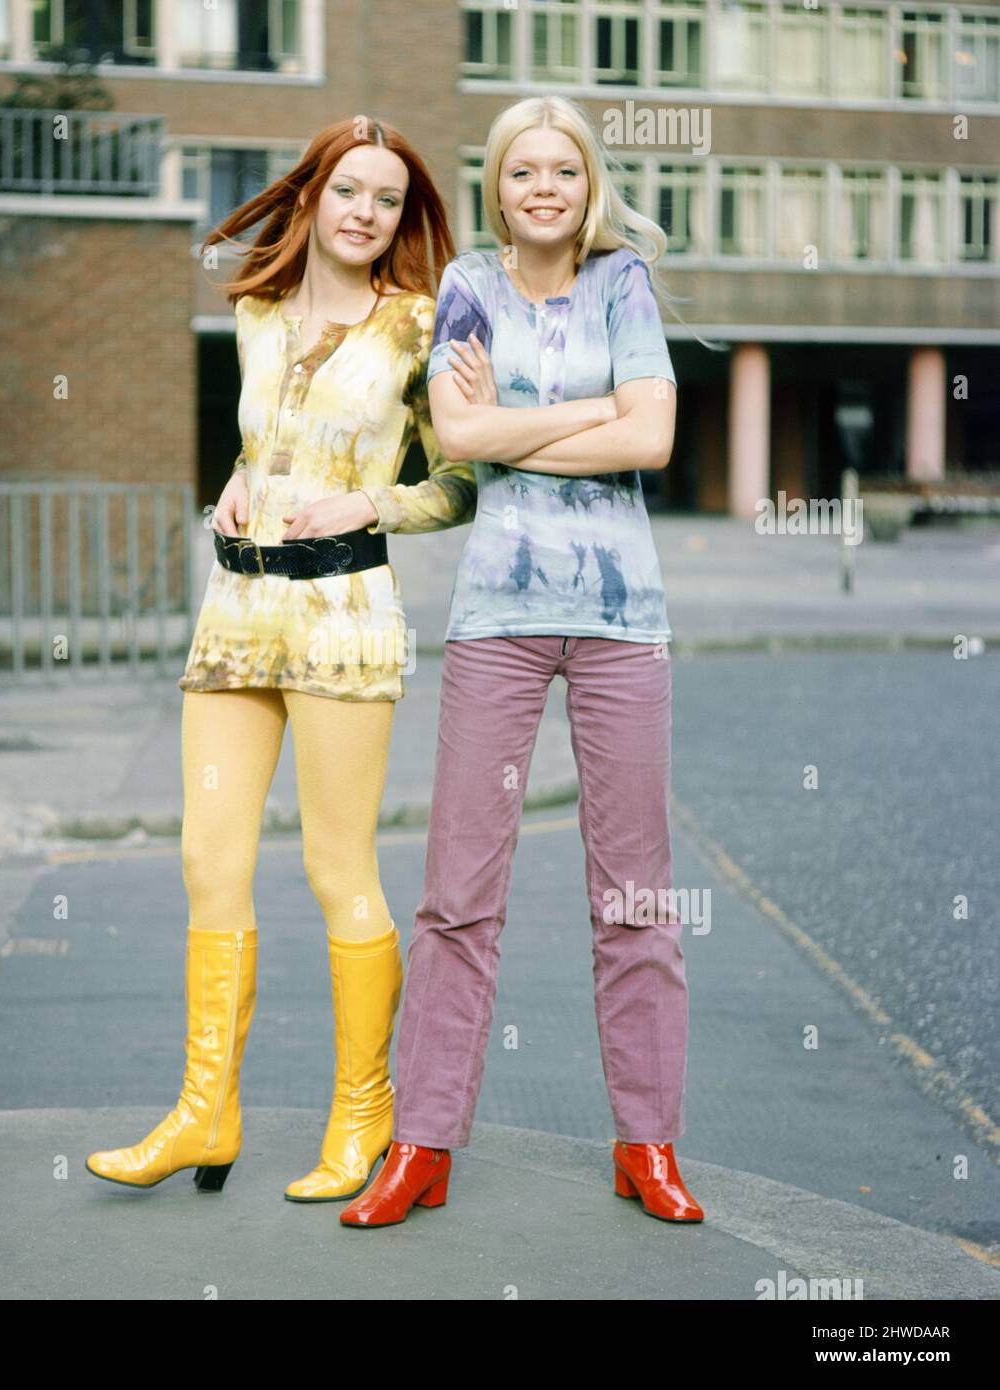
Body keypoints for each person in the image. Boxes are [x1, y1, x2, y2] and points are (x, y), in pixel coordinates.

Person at [86, 116, 476, 1202]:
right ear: (309, 196)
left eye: (387, 199)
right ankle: (205, 1112)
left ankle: (365, 1117)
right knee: (209, 861)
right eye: (347, 189)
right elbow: (266, 443)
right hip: (238, 610)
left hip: (345, 617)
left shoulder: (418, 324)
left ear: (403, 218)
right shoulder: (255, 316)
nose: (365, 211)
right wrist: (234, 480)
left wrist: (372, 498)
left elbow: (459, 483)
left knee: (334, 868)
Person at [340, 95, 705, 1227]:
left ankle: (646, 1143)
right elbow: (458, 439)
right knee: (456, 897)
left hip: (619, 620)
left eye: (561, 170)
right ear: (496, 187)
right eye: (519, 172)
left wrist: (524, 420)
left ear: (587, 184)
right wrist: (593, 407)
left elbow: (652, 439)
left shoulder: (623, 283)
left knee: (636, 897)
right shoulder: (469, 288)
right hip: (497, 614)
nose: (540, 188)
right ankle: (424, 1145)